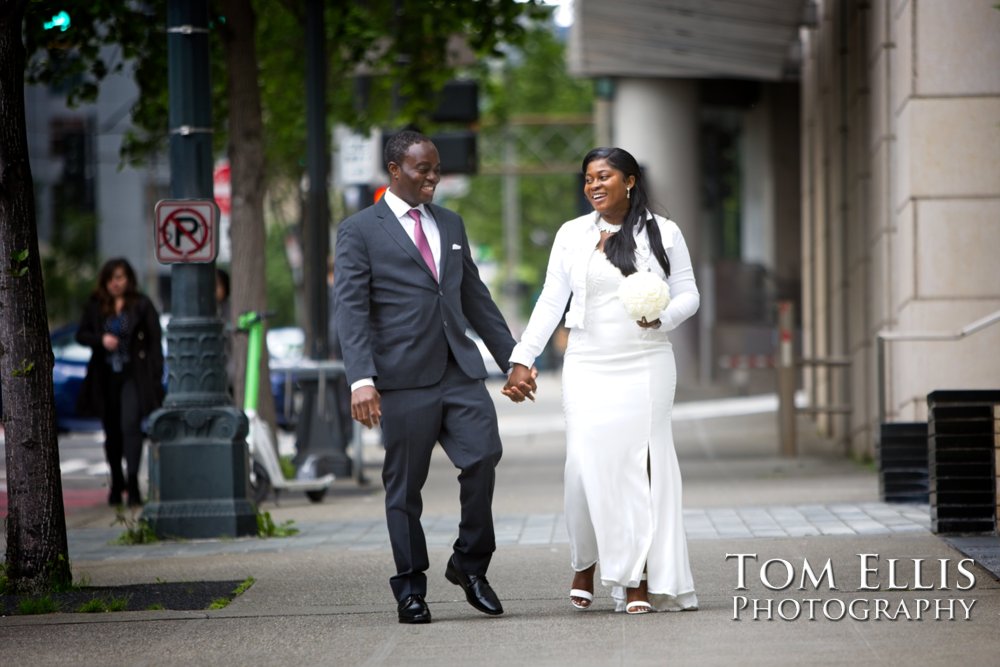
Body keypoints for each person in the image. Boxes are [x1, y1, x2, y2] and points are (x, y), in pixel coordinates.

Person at [334, 130, 536, 624]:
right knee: (404, 489)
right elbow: (352, 310)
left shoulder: (450, 223)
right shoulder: (360, 230)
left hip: (459, 371)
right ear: (395, 170)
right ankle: (410, 588)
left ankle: (469, 564)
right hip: (401, 379)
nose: (433, 176)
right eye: (423, 168)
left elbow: (475, 298)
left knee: (484, 455)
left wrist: (514, 358)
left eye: (436, 167)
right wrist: (362, 378)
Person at [504, 147, 700, 614]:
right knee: (582, 469)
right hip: (588, 362)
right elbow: (551, 301)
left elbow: (688, 292)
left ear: (629, 181)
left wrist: (664, 317)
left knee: (638, 468)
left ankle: (636, 579)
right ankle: (585, 561)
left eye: (604, 176)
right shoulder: (572, 234)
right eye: (588, 177)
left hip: (645, 362)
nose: (593, 185)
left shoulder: (663, 232)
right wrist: (521, 358)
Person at [76, 258, 165, 507]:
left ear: (129, 279)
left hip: (133, 375)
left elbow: (155, 341)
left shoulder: (141, 305)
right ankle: (117, 482)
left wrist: (155, 375)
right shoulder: (96, 306)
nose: (116, 283)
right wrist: (100, 340)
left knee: (131, 426)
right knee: (111, 431)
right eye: (111, 278)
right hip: (105, 376)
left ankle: (134, 481)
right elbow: (81, 334)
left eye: (121, 277)